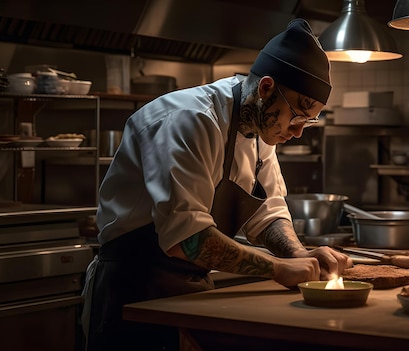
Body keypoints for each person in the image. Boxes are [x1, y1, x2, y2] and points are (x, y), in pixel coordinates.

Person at [81, 18, 353, 351]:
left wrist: (300, 255)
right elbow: (187, 238)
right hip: (135, 289)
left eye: (308, 122)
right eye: (297, 115)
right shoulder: (190, 119)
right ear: (266, 88)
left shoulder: (262, 129)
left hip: (192, 288)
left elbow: (266, 212)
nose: (297, 131)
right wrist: (279, 268)